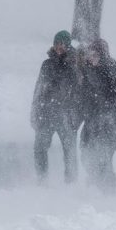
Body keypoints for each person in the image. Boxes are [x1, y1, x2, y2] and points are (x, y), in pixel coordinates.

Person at [78, 38, 116, 194]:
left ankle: (108, 192)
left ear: (102, 54)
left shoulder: (113, 71)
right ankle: (96, 181)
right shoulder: (89, 71)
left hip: (109, 124)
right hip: (91, 122)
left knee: (104, 159)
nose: (91, 57)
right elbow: (85, 97)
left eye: (94, 54)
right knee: (86, 154)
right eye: (89, 54)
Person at [31, 30, 82, 184]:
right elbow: (38, 89)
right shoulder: (47, 64)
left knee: (69, 150)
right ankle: (42, 179)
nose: (58, 47)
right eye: (56, 44)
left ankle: (71, 182)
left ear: (67, 45)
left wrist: (76, 114)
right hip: (46, 113)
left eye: (61, 44)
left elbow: (79, 91)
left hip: (66, 114)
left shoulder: (75, 63)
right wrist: (35, 111)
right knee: (39, 148)